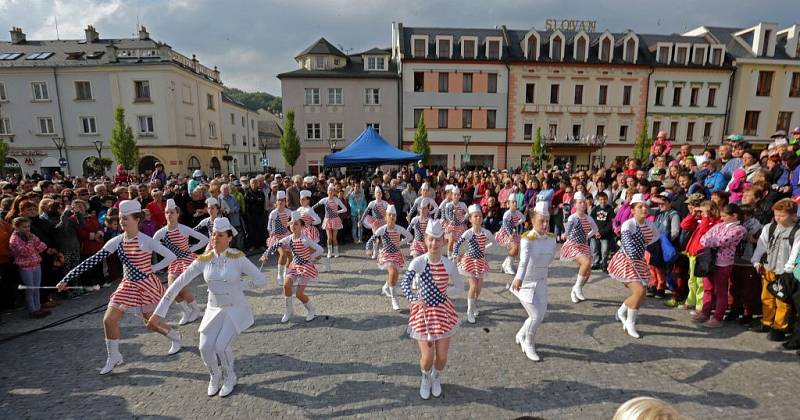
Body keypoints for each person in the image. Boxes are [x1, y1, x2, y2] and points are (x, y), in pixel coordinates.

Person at [57, 200, 181, 375]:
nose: (122, 221)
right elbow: (92, 260)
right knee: (109, 319)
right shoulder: (116, 241)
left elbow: (171, 256)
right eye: (121, 218)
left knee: (151, 324)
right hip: (127, 285)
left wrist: (151, 269)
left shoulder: (146, 241)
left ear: (137, 219)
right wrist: (67, 278)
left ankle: (174, 336)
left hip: (146, 286)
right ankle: (114, 356)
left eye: (126, 218)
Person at [148, 217, 265, 397]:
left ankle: (229, 377)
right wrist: (158, 313)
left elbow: (260, 280)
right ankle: (215, 375)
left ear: (229, 238)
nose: (215, 238)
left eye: (220, 235)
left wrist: (241, 286)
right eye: (213, 234)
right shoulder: (204, 260)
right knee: (204, 347)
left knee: (220, 346)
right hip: (213, 308)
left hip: (234, 308)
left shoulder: (238, 258)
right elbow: (177, 284)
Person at [399, 219, 464, 400]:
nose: (434, 243)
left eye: (437, 239)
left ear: (443, 241)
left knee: (441, 357)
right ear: (425, 240)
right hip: (425, 313)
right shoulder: (419, 262)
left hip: (443, 313)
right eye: (430, 239)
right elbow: (405, 283)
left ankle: (436, 375)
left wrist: (444, 293)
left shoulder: (449, 264)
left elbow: (459, 287)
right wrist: (413, 298)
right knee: (427, 357)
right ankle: (425, 376)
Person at [608, 194, 660, 338]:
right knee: (638, 292)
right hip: (625, 262)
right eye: (640, 207)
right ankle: (630, 323)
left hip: (639, 261)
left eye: (645, 206)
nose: (644, 209)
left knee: (641, 294)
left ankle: (621, 311)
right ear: (632, 210)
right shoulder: (628, 224)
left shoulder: (650, 224)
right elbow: (627, 243)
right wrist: (636, 252)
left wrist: (643, 246)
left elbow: (655, 236)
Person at [510, 202, 556, 361]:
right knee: (535, 316)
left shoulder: (551, 239)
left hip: (541, 281)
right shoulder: (527, 239)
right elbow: (524, 260)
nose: (545, 224)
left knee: (540, 316)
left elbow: (549, 259)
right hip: (525, 282)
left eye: (547, 221)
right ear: (532, 221)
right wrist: (518, 278)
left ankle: (521, 333)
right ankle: (528, 343)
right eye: (541, 221)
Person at [153, 199, 210, 325]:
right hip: (174, 262)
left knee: (181, 288)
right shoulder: (161, 232)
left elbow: (204, 239)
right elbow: (152, 246)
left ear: (177, 214)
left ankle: (195, 311)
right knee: (171, 290)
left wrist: (191, 249)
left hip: (186, 260)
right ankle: (186, 311)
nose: (169, 215)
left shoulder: (183, 229)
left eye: (172, 212)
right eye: (167, 212)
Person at [751, 198, 800, 342]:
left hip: (785, 272)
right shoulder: (769, 228)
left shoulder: (797, 232)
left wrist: (788, 270)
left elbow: (795, 253)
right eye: (776, 215)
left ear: (793, 215)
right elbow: (761, 246)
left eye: (782, 215)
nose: (777, 218)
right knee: (766, 297)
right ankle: (766, 322)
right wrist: (756, 261)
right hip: (768, 268)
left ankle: (780, 327)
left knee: (782, 300)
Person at [264, 211, 324, 323]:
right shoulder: (289, 238)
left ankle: (311, 310)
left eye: (296, 224)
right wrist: (265, 254)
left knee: (299, 294)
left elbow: (320, 249)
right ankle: (289, 311)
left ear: (302, 226)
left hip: (305, 267)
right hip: (294, 266)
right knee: (286, 286)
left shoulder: (305, 240)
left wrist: (310, 257)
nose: (293, 226)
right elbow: (276, 245)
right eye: (291, 224)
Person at [695, 203, 747, 327]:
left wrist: (712, 240)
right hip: (709, 260)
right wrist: (712, 241)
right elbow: (704, 238)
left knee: (720, 291)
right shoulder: (719, 225)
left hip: (723, 263)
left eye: (724, 216)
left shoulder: (739, 229)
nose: (722, 218)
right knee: (708, 288)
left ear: (734, 215)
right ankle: (705, 312)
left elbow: (722, 241)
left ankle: (718, 317)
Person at [453, 204, 497, 324]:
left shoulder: (486, 232)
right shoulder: (468, 233)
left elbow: (494, 242)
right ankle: (469, 311)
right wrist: (456, 255)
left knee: (479, 288)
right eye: (475, 216)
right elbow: (458, 245)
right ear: (471, 219)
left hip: (481, 261)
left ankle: (474, 305)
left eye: (480, 216)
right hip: (470, 261)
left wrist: (486, 247)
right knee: (473, 286)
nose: (478, 218)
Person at [366, 205, 413, 311]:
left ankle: (386, 287)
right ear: (386, 217)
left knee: (395, 275)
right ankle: (393, 299)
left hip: (396, 254)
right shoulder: (382, 229)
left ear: (396, 217)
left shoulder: (399, 228)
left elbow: (410, 236)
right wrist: (369, 249)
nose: (392, 217)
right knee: (392, 272)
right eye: (389, 215)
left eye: (394, 215)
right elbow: (371, 239)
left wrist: (400, 243)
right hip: (386, 255)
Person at [9, 217, 56, 318]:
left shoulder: (30, 235)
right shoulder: (14, 238)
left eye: (28, 226)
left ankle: (38, 308)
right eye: (24, 227)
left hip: (36, 264)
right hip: (25, 267)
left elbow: (42, 246)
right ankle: (32, 310)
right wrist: (31, 243)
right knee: (30, 289)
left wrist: (33, 244)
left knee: (37, 288)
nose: (27, 229)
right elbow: (24, 252)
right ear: (17, 227)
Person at [560, 192, 598, 303]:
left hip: (584, 246)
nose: (582, 204)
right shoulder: (573, 218)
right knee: (586, 263)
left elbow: (595, 230)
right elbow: (567, 231)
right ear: (575, 205)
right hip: (573, 245)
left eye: (584, 202)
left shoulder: (589, 218)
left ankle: (575, 289)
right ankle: (577, 287)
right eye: (580, 202)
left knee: (588, 271)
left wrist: (587, 236)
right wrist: (564, 235)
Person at [312, 184, 347, 258]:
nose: (330, 191)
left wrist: (337, 212)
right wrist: (307, 210)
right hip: (327, 220)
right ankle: (329, 252)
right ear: (327, 192)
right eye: (329, 190)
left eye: (332, 190)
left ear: (334, 192)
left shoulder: (337, 200)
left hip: (335, 220)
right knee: (329, 238)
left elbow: (345, 209)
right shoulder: (324, 200)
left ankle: (336, 251)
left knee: (334, 238)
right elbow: (314, 206)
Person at [267, 191, 292, 285]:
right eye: (279, 200)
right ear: (276, 202)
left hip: (286, 235)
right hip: (276, 237)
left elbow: (294, 221)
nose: (281, 202)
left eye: (282, 200)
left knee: (290, 257)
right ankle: (279, 275)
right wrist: (271, 234)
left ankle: (286, 273)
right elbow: (269, 227)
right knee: (283, 255)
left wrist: (290, 224)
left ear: (285, 201)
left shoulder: (288, 212)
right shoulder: (273, 213)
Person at [495, 195, 524, 275]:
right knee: (514, 248)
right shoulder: (507, 213)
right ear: (509, 204)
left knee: (516, 249)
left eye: (515, 202)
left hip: (513, 233)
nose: (514, 204)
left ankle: (506, 264)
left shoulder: (517, 212)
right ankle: (507, 266)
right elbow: (504, 225)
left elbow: (523, 218)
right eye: (513, 202)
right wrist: (509, 234)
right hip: (505, 233)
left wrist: (517, 223)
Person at [360, 186, 389, 259]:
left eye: (380, 193)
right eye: (377, 193)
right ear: (375, 194)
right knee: (375, 237)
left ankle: (381, 252)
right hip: (375, 222)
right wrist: (361, 220)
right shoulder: (372, 203)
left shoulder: (385, 203)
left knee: (383, 238)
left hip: (383, 222)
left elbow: (389, 213)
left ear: (381, 194)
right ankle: (375, 252)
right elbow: (366, 212)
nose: (378, 194)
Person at [443, 187, 468, 258]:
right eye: (455, 195)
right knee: (451, 240)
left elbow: (467, 213)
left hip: (459, 226)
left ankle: (454, 254)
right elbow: (446, 214)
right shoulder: (449, 205)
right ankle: (449, 256)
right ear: (452, 195)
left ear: (460, 196)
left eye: (458, 195)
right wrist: (450, 220)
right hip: (451, 226)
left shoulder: (463, 204)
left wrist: (463, 219)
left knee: (456, 242)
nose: (456, 196)